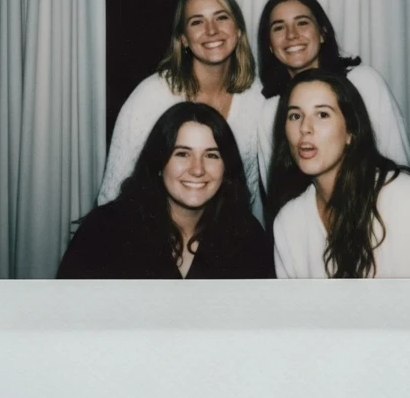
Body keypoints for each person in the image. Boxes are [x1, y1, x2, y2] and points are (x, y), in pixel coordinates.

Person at [96, 0, 265, 222]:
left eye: (221, 18)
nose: (211, 30)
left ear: (238, 30)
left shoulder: (255, 97)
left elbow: (246, 192)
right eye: (197, 21)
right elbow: (112, 194)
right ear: (184, 39)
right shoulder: (151, 97)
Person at [269, 70, 410, 279]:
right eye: (295, 116)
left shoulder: (404, 199)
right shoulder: (288, 222)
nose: (305, 128)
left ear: (350, 132)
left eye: (322, 114)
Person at [59, 102, 272, 279]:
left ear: (226, 169)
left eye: (211, 155)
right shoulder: (104, 231)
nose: (197, 169)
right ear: (159, 163)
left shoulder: (248, 237)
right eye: (182, 154)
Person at [255, 0, 410, 192]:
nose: (291, 35)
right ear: (269, 45)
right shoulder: (270, 111)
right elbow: (277, 192)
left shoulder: (364, 83)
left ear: (322, 33)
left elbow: (398, 166)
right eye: (278, 27)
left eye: (302, 22)